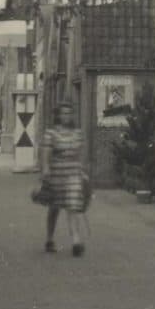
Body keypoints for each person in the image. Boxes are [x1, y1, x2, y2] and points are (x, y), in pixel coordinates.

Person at [41, 100, 87, 256]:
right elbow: (46, 152)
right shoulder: (51, 133)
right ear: (59, 116)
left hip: (73, 173)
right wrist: (46, 169)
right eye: (64, 113)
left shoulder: (77, 134)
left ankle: (76, 240)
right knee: (54, 209)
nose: (66, 116)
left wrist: (82, 171)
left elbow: (80, 155)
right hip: (56, 174)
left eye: (69, 113)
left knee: (72, 206)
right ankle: (49, 239)